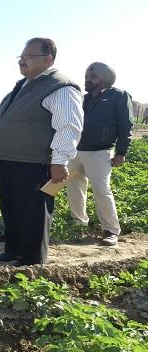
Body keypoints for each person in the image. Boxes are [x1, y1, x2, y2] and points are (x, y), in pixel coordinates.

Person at [0, 38, 83, 266]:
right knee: (11, 208)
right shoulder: (24, 84)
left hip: (33, 163)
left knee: (32, 212)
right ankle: (13, 250)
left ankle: (32, 260)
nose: (22, 61)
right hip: (8, 160)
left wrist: (59, 161)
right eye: (21, 56)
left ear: (48, 58)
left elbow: (68, 126)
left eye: (28, 56)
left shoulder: (60, 86)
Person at [66, 62, 133, 246]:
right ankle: (78, 223)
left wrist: (121, 152)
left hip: (100, 152)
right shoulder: (83, 98)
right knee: (74, 188)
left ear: (105, 79)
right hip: (76, 150)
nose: (88, 79)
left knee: (102, 191)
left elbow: (126, 126)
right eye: (87, 76)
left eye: (93, 76)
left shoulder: (118, 96)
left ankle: (111, 230)